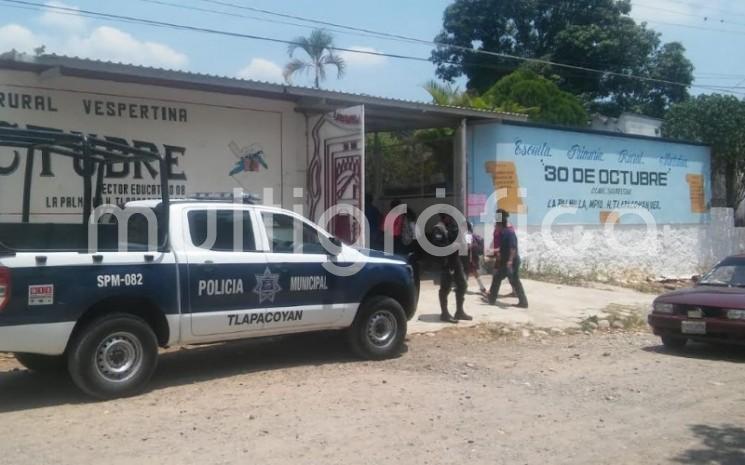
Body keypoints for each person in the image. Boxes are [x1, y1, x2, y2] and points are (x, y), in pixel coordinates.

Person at [431, 213, 472, 323]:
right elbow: (437, 247)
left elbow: (463, 237)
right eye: (450, 217)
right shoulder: (438, 229)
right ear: (444, 217)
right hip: (445, 262)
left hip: (455, 260)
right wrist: (453, 246)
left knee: (462, 285)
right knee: (445, 288)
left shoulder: (452, 226)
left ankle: (459, 311)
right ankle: (444, 314)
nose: (452, 219)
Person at [486, 209, 528, 308]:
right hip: (505, 261)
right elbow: (503, 247)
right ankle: (492, 299)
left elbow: (512, 248)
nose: (495, 228)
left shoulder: (509, 232)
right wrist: (495, 251)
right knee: (498, 278)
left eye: (496, 226)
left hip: (511, 261)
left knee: (513, 281)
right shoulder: (504, 232)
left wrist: (509, 261)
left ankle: (523, 302)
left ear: (500, 225)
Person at [462, 221, 487, 295]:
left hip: (470, 257)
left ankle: (482, 287)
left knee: (472, 271)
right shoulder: (471, 234)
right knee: (467, 271)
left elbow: (468, 246)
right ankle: (464, 287)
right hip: (472, 256)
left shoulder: (467, 234)